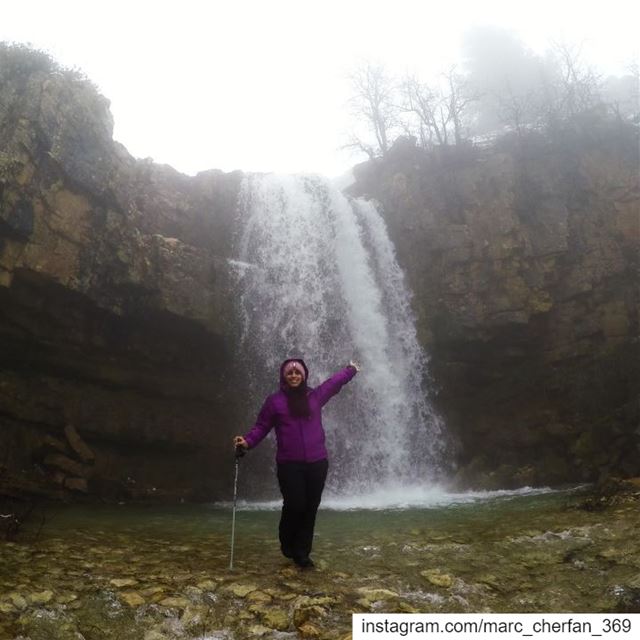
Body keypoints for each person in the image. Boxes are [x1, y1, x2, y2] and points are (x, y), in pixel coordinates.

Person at [234, 357, 360, 569]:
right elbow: (262, 426)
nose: (294, 376)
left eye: (297, 372)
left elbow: (333, 383)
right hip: (289, 463)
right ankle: (286, 538)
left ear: (304, 375)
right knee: (295, 504)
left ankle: (302, 553)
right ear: (284, 377)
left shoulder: (314, 396)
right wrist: (247, 442)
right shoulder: (275, 401)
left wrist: (351, 370)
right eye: (290, 373)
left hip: (318, 462)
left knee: (310, 508)